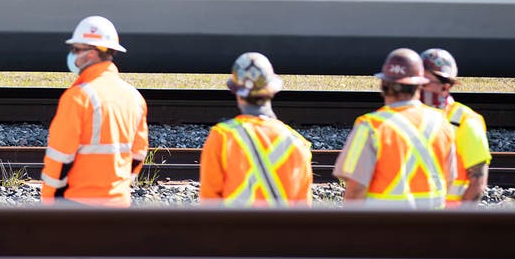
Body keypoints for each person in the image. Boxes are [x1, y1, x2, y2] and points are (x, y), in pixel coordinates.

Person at [41, 15, 148, 206]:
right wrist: (117, 188)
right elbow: (138, 154)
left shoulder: (78, 98)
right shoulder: (134, 97)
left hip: (78, 204)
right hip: (119, 203)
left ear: (90, 54)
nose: (72, 55)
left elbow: (59, 158)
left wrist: (50, 201)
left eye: (76, 49)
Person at [334, 47, 456, 209]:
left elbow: (356, 188)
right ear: (419, 85)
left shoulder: (369, 126)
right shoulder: (441, 123)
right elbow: (449, 179)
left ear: (384, 85)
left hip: (385, 229)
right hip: (432, 229)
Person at [199, 52, 313, 205]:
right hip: (283, 229)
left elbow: (209, 202)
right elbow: (304, 210)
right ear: (271, 91)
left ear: (238, 94)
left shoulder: (222, 137)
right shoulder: (297, 143)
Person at [420, 47, 490, 205]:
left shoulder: (465, 121)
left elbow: (477, 183)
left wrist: (458, 223)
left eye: (426, 82)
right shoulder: (410, 117)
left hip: (448, 219)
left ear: (445, 87)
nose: (419, 88)